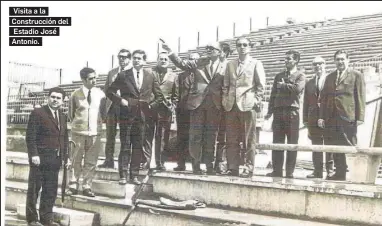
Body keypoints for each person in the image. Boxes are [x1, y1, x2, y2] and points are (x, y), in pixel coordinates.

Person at [162, 40, 226, 175]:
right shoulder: (199, 62)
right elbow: (182, 64)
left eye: (212, 48)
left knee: (210, 137)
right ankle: (196, 166)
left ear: (219, 52)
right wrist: (170, 51)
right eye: (207, 47)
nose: (208, 49)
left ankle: (209, 166)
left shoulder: (225, 65)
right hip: (197, 105)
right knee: (195, 136)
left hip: (214, 105)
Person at [107, 50, 164, 184]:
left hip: (143, 116)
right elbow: (110, 91)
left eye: (139, 58)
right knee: (125, 145)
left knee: (138, 146)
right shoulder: (123, 75)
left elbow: (159, 96)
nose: (136, 60)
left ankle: (134, 175)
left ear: (144, 61)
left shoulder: (150, 76)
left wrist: (150, 106)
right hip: (126, 115)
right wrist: (121, 101)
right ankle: (123, 175)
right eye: (134, 58)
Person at [318, 50, 366, 181]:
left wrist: (360, 117)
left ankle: (358, 174)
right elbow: (323, 98)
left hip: (348, 117)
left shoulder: (356, 75)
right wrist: (321, 117)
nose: (340, 62)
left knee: (351, 145)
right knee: (336, 145)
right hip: (331, 117)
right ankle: (340, 174)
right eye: (337, 59)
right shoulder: (330, 77)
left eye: (342, 59)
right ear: (334, 61)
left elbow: (360, 97)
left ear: (348, 60)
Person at [222, 37, 265, 176]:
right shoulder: (230, 65)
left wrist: (256, 100)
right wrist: (225, 100)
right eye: (239, 45)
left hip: (247, 105)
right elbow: (226, 85)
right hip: (231, 106)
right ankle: (232, 167)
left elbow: (260, 86)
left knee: (248, 139)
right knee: (232, 139)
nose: (242, 47)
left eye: (245, 45)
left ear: (249, 47)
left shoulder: (256, 63)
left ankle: (248, 167)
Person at [25, 87, 68, 226]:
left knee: (50, 190)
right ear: (48, 98)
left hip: (55, 159)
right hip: (40, 158)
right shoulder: (38, 113)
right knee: (34, 189)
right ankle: (32, 219)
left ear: (63, 101)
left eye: (58, 98)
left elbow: (64, 138)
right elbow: (30, 136)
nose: (55, 100)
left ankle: (46, 218)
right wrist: (34, 155)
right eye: (53, 97)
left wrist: (65, 157)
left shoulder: (62, 116)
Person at [265, 50, 306, 178]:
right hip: (278, 111)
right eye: (286, 59)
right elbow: (273, 94)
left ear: (296, 61)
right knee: (277, 142)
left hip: (291, 111)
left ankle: (289, 172)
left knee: (292, 143)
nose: (286, 61)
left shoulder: (300, 76)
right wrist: (270, 111)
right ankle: (277, 170)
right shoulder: (279, 75)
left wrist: (284, 85)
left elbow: (297, 89)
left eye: (289, 59)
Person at [68, 67, 106, 197]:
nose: (94, 81)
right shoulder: (75, 94)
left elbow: (103, 112)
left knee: (91, 161)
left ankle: (87, 186)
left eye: (95, 77)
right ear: (83, 80)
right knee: (75, 160)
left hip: (95, 132)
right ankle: (73, 184)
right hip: (78, 133)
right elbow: (71, 113)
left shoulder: (100, 94)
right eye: (91, 79)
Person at [98, 49, 132, 168]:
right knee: (110, 135)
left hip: (125, 106)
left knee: (125, 136)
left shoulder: (132, 72)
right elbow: (107, 90)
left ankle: (124, 162)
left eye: (124, 57)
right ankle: (109, 160)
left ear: (129, 58)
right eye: (120, 57)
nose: (122, 59)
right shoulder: (112, 72)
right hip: (112, 106)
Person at [303, 56, 334, 179]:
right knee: (316, 144)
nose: (318, 66)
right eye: (315, 64)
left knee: (329, 143)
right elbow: (306, 102)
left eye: (320, 64)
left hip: (328, 117)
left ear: (325, 64)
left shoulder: (330, 80)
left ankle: (330, 171)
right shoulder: (309, 82)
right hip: (313, 118)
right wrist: (305, 118)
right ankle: (317, 171)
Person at [148, 52, 178, 170]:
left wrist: (173, 106)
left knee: (163, 137)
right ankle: (146, 161)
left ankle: (160, 162)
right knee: (148, 135)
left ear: (169, 61)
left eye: (166, 59)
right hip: (152, 107)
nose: (163, 60)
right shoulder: (150, 73)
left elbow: (176, 94)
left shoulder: (174, 76)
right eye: (161, 59)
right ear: (157, 60)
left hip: (165, 110)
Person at [173, 52, 200, 171]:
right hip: (183, 110)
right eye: (190, 59)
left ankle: (196, 164)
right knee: (182, 137)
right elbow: (176, 93)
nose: (192, 62)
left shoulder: (202, 75)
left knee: (195, 137)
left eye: (195, 60)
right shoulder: (180, 76)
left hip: (197, 110)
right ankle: (181, 163)